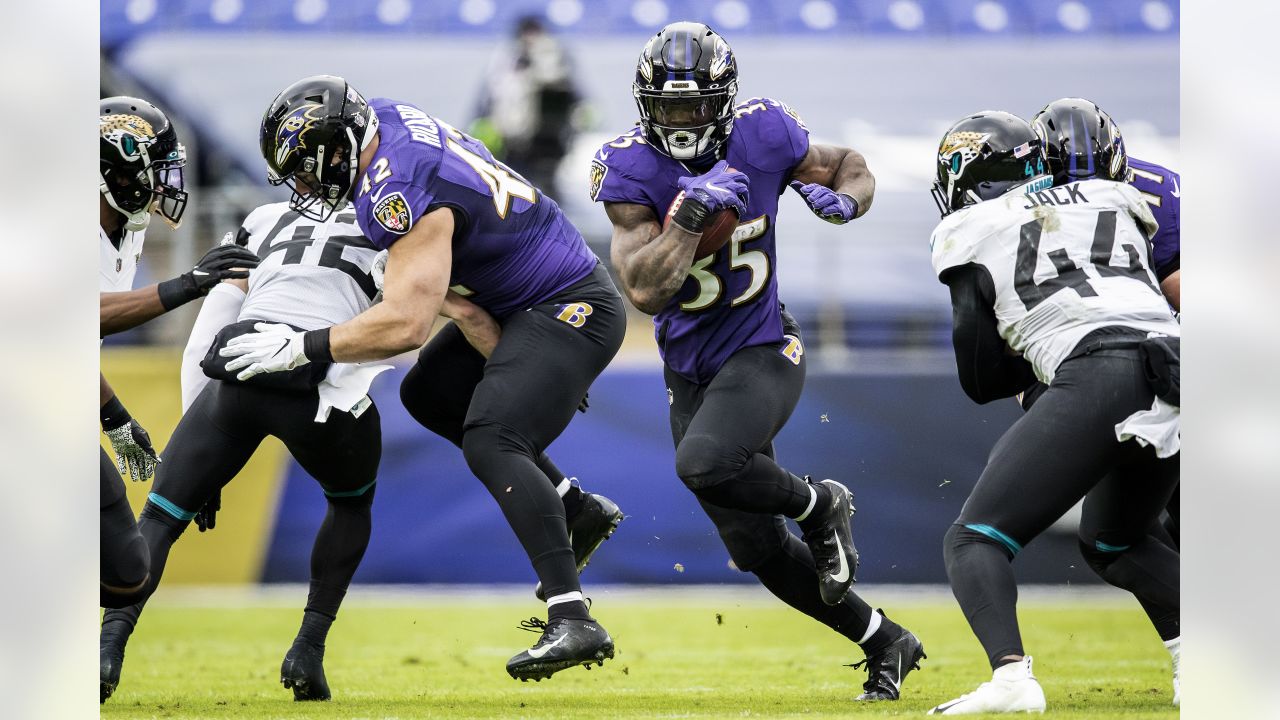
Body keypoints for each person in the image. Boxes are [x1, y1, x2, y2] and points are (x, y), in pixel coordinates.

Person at [224, 75, 626, 681]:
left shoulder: (397, 189)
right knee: (429, 394)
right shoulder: (380, 122)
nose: (304, 187)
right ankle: (573, 508)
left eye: (306, 171)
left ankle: (573, 617)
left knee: (494, 437)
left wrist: (298, 346)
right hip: (518, 304)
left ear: (336, 149)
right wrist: (524, 362)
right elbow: (458, 305)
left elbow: (407, 324)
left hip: (566, 302)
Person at [592, 22, 923, 701]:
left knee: (704, 464)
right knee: (758, 549)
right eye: (668, 108)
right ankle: (885, 639)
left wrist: (847, 203)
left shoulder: (765, 131)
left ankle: (820, 502)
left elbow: (849, 164)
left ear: (726, 100)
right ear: (643, 104)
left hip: (764, 343)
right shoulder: (628, 167)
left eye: (695, 106)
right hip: (689, 365)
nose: (682, 122)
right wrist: (686, 219)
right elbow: (645, 292)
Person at [100, 201, 477, 703]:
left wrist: (200, 446)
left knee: (162, 518)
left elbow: (209, 330)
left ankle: (109, 647)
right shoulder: (399, 218)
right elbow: (451, 306)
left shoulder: (264, 217)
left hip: (238, 379)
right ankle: (308, 649)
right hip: (324, 389)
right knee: (349, 504)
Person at [925, 110, 1180, 714]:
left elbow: (982, 378)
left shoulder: (970, 229)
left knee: (974, 538)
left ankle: (1012, 680)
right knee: (1118, 539)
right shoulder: (1112, 197)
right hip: (1174, 363)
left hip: (1098, 367)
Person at [98, 96, 260, 701]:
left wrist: (115, 417)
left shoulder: (120, 230)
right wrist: (188, 284)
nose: (168, 183)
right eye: (159, 166)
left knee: (129, 568)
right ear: (119, 165)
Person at [1029, 97, 1182, 702]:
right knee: (1122, 536)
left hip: (1175, 361)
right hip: (1111, 370)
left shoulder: (1161, 196)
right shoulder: (1022, 206)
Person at [471, 14, 583, 201]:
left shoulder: (555, 60)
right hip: (513, 144)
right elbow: (490, 98)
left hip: (548, 144)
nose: (531, 39)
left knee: (546, 197)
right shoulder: (507, 62)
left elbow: (573, 97)